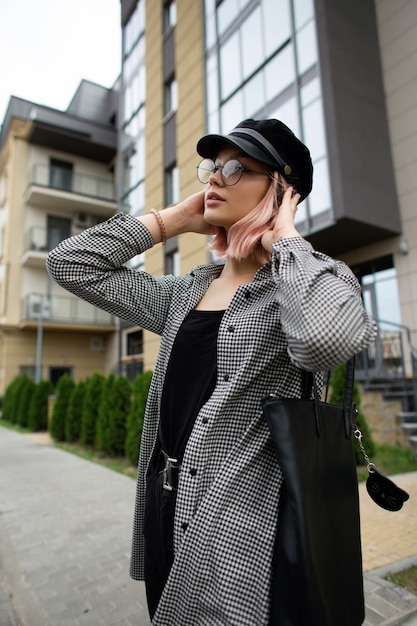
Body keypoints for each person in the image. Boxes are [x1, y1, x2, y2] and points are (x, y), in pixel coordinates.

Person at [46, 118, 377, 625]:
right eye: (212, 168)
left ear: (283, 189)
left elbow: (321, 342)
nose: (214, 180)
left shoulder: (316, 278)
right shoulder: (186, 291)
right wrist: (172, 220)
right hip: (163, 502)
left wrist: (285, 238)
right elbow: (71, 265)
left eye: (237, 168)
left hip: (240, 521)